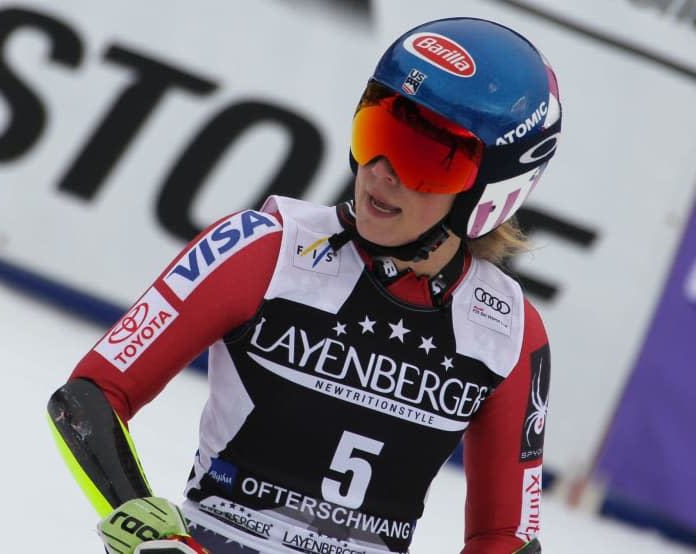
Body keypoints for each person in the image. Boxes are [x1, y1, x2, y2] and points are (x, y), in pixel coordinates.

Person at [47, 16, 561, 554]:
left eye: (425, 160)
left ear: (492, 191)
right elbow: (88, 398)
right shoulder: (262, 248)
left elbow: (508, 538)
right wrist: (139, 520)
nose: (380, 172)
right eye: (377, 133)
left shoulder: (510, 331)